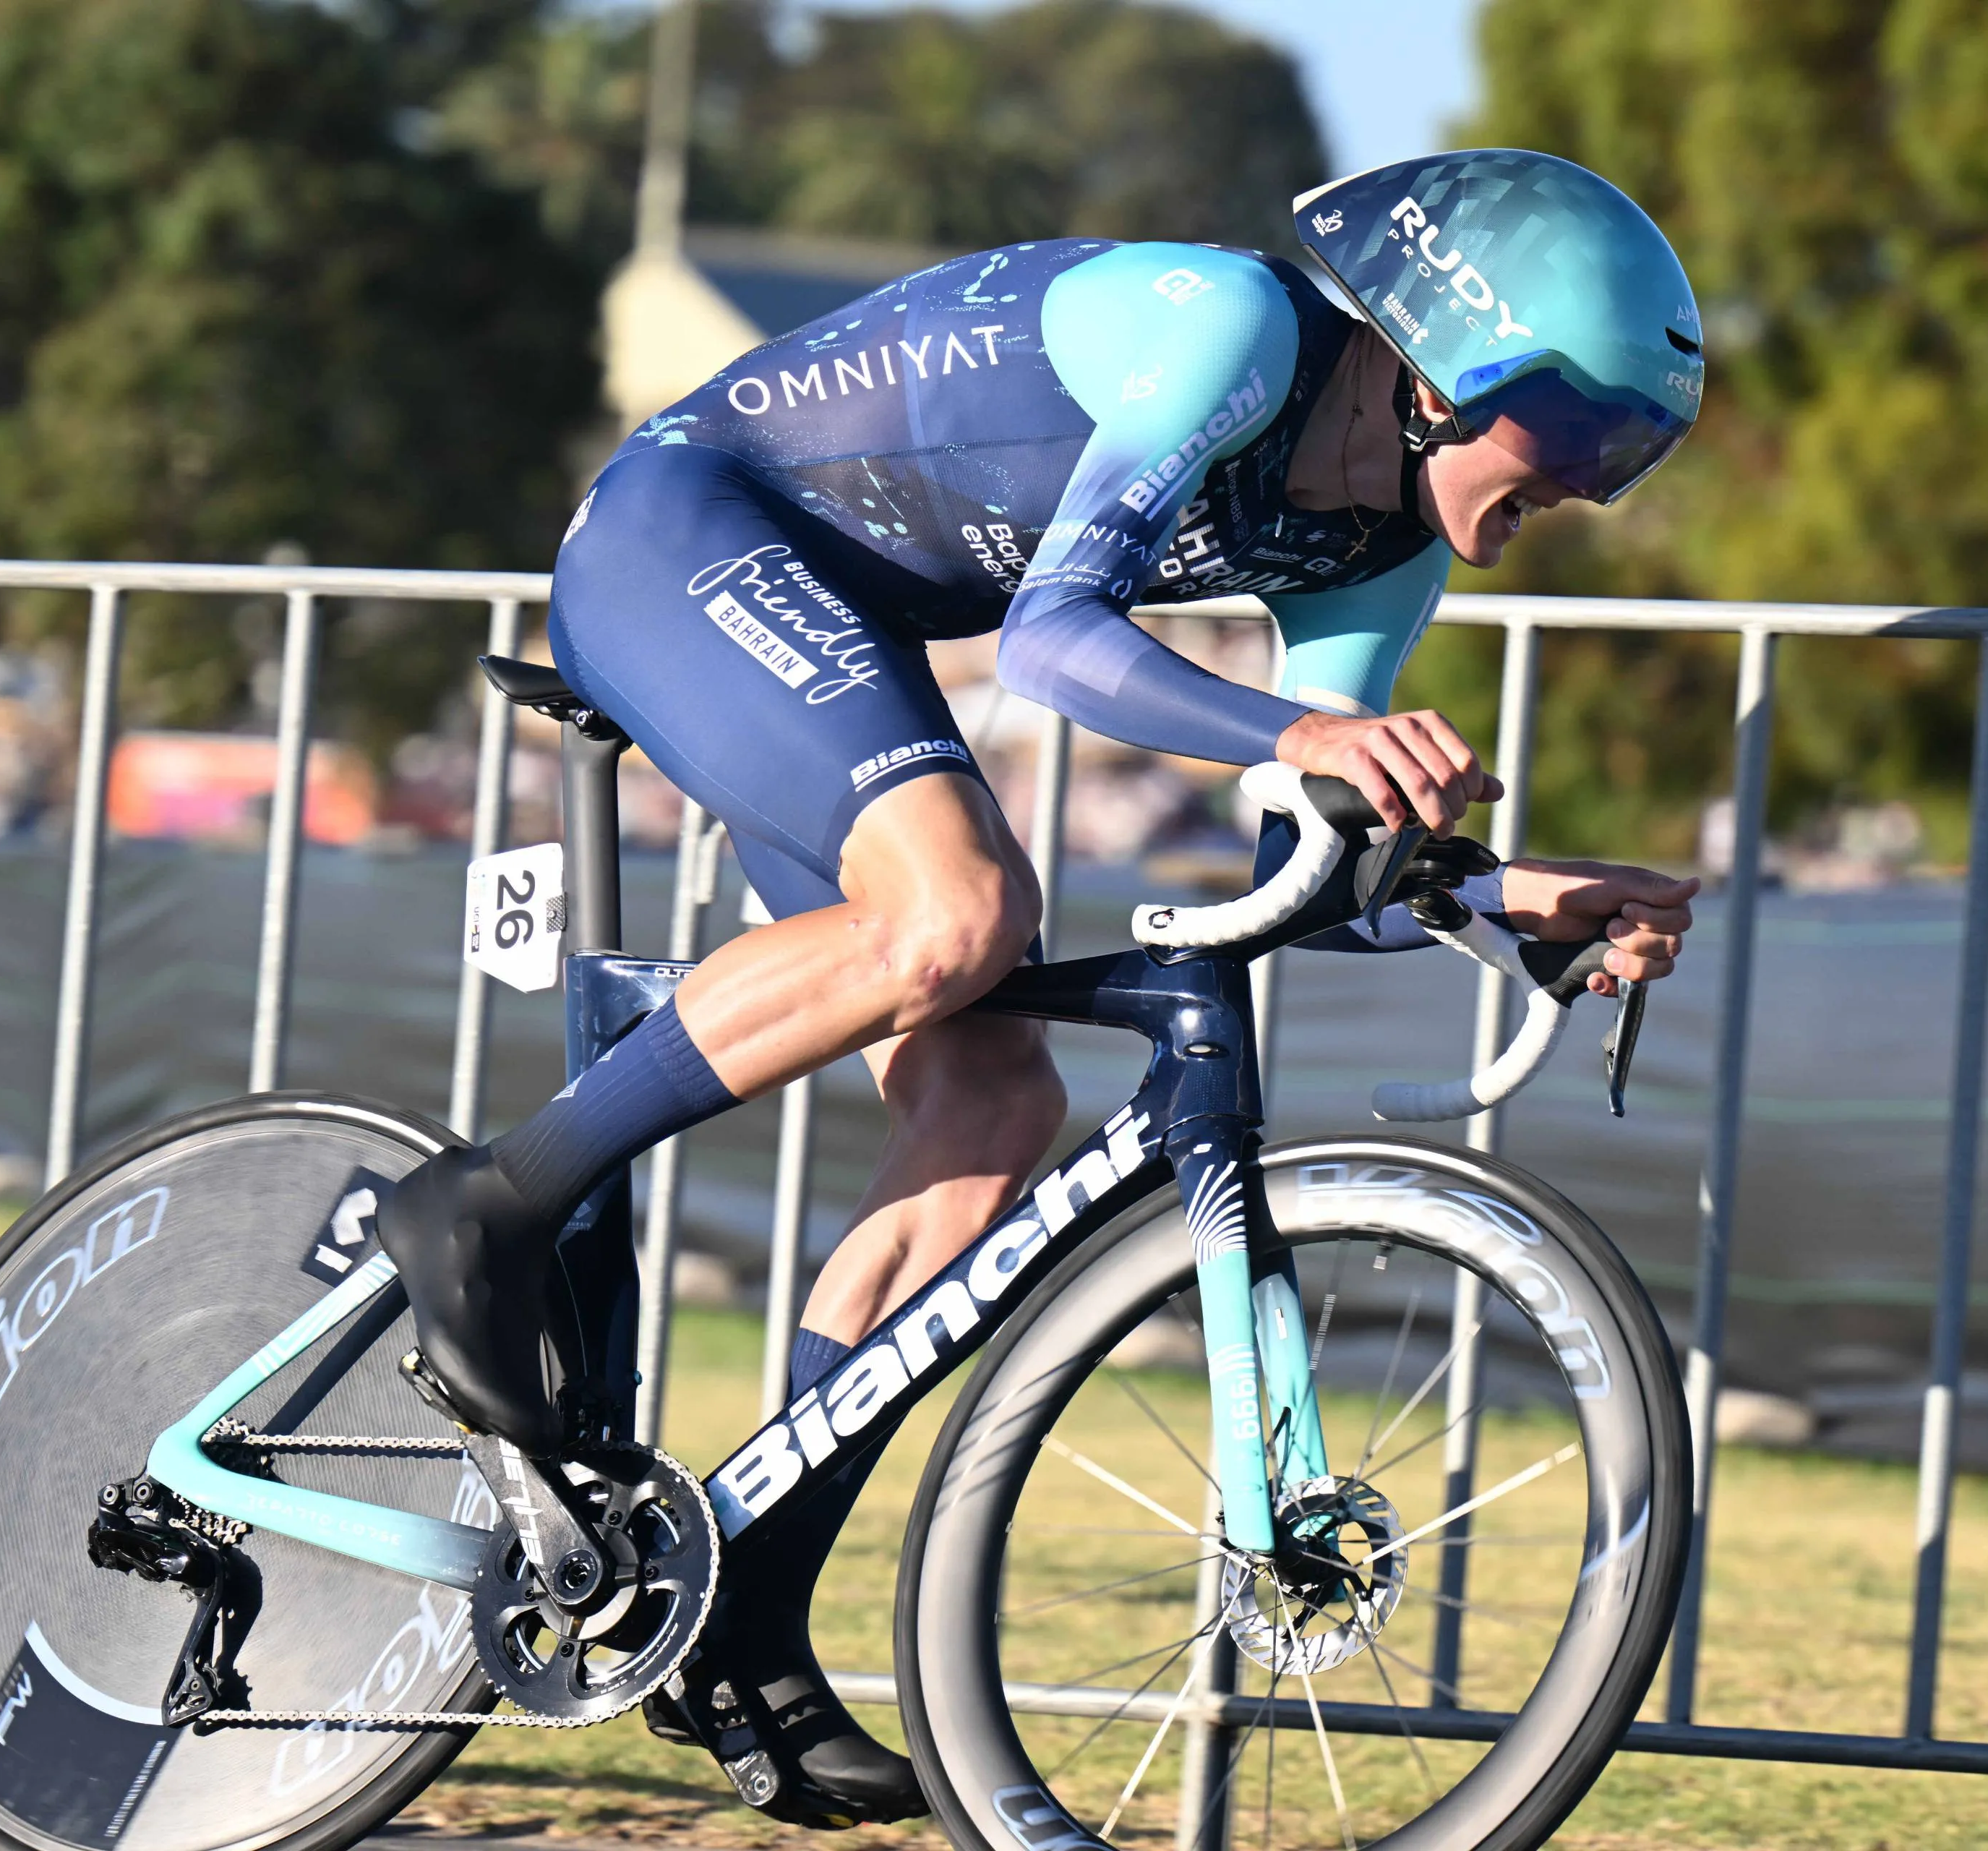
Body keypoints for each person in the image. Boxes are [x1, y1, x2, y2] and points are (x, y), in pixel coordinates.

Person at [380, 148, 1707, 1827]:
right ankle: (493, 1204)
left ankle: (747, 1603)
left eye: (1628, 455)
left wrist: (1514, 901)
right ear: (1442, 368)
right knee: (961, 912)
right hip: (689, 531)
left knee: (994, 1099)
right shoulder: (1230, 334)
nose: (1592, 485)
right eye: (1579, 433)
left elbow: (1302, 866)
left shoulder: (1379, 554)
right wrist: (1310, 730)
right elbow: (1056, 642)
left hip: (841, 621)